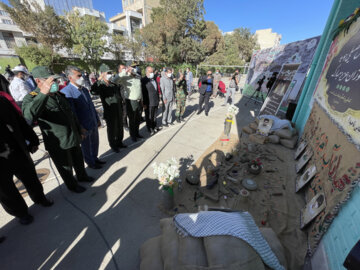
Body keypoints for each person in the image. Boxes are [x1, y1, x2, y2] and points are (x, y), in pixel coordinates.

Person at [22, 66, 92, 193]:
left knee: (78, 160)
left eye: (55, 80)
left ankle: (82, 176)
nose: (55, 83)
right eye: (51, 81)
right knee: (66, 167)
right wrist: (43, 93)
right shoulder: (32, 97)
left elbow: (71, 114)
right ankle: (72, 185)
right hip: (59, 143)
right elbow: (29, 116)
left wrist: (79, 129)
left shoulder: (58, 94)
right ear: (39, 81)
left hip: (73, 136)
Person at [0, 96, 53, 225]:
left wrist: (32, 139)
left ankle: (39, 198)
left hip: (16, 149)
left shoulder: (2, 100)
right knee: (5, 190)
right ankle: (21, 213)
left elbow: (19, 121)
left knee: (30, 177)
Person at [61, 66, 105, 170]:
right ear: (70, 77)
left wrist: (97, 119)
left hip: (93, 122)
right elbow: (72, 113)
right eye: (79, 76)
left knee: (95, 143)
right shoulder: (67, 92)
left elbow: (91, 106)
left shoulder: (84, 89)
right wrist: (79, 127)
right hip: (84, 125)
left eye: (81, 75)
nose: (82, 78)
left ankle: (95, 158)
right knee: (86, 146)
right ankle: (90, 162)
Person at [91, 64, 126, 152]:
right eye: (108, 73)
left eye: (111, 72)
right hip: (110, 111)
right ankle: (113, 145)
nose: (111, 74)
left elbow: (119, 96)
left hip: (118, 108)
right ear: (103, 74)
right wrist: (99, 79)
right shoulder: (101, 85)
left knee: (119, 127)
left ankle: (119, 142)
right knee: (112, 129)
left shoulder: (113, 84)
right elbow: (93, 90)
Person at [113, 63, 143, 142]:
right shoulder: (125, 77)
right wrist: (124, 72)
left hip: (139, 100)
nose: (133, 69)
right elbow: (114, 80)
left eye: (134, 67)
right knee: (132, 120)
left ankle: (137, 133)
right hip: (131, 101)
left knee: (138, 119)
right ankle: (133, 136)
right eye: (132, 67)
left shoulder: (137, 76)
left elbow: (140, 89)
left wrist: (142, 100)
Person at [141, 66, 160, 135]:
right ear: (147, 72)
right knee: (149, 116)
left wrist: (158, 99)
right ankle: (150, 128)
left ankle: (154, 126)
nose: (153, 73)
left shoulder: (154, 78)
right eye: (151, 72)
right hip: (148, 102)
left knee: (155, 115)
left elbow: (156, 90)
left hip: (155, 101)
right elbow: (143, 93)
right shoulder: (143, 80)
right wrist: (144, 103)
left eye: (153, 72)